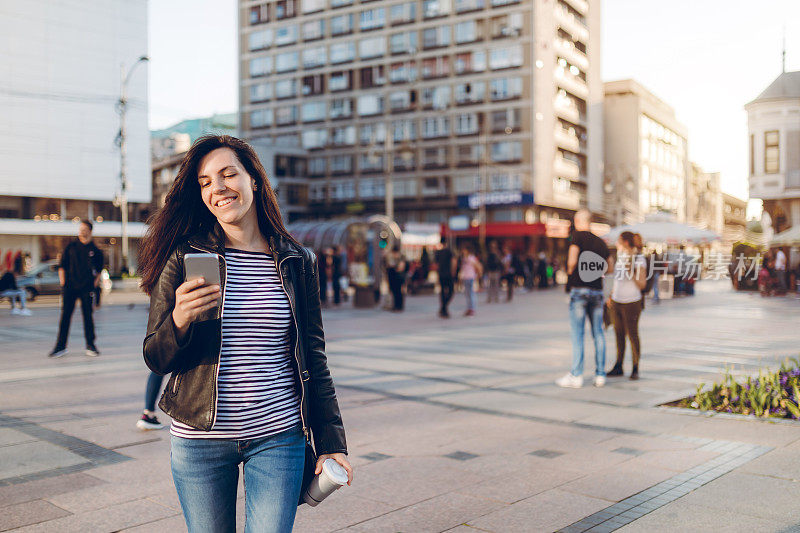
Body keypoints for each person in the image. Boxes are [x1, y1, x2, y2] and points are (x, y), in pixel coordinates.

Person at [138, 135, 351, 532]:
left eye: (228, 174)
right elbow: (156, 356)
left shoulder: (296, 260)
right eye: (205, 182)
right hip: (200, 440)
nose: (217, 188)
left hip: (278, 437)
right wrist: (180, 320)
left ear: (254, 179)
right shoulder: (184, 256)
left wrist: (331, 442)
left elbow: (314, 357)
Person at [556, 209, 610, 388]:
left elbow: (572, 261)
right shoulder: (601, 242)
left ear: (578, 221)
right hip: (597, 291)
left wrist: (572, 272)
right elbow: (609, 267)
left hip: (579, 290)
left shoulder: (577, 237)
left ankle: (577, 375)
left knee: (578, 334)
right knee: (598, 333)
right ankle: (600, 374)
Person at [49, 220, 103, 358]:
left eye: (84, 229)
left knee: (88, 318)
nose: (82, 231)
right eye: (80, 229)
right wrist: (64, 285)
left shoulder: (96, 251)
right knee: (65, 317)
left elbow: (99, 271)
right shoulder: (70, 247)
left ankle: (91, 346)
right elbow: (62, 266)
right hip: (70, 288)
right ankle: (60, 347)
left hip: (86, 289)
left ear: (90, 231)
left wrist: (94, 285)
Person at [607, 232, 647, 380]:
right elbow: (617, 279)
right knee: (618, 335)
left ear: (625, 242)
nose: (616, 243)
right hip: (617, 301)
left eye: (618, 241)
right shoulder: (619, 256)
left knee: (633, 335)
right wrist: (611, 295)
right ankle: (619, 365)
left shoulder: (639, 259)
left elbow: (641, 284)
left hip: (632, 302)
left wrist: (630, 269)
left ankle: (635, 367)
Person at [435, 236, 456, 318]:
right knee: (451, 291)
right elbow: (454, 262)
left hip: (441, 274)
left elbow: (436, 265)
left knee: (443, 292)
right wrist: (453, 272)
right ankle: (444, 308)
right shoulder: (449, 251)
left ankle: (443, 308)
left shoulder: (438, 252)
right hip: (449, 274)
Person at [459, 244, 482, 316]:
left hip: (470, 277)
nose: (463, 251)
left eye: (464, 249)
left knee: (471, 293)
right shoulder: (465, 258)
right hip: (466, 277)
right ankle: (469, 308)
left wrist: (478, 275)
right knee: (467, 293)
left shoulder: (471, 258)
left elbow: (478, 266)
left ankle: (472, 308)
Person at [384, 245, 407, 311]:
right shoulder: (392, 258)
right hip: (393, 278)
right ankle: (396, 306)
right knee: (395, 293)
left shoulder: (401, 258)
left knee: (398, 293)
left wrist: (394, 267)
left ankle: (399, 306)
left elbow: (400, 268)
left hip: (398, 278)